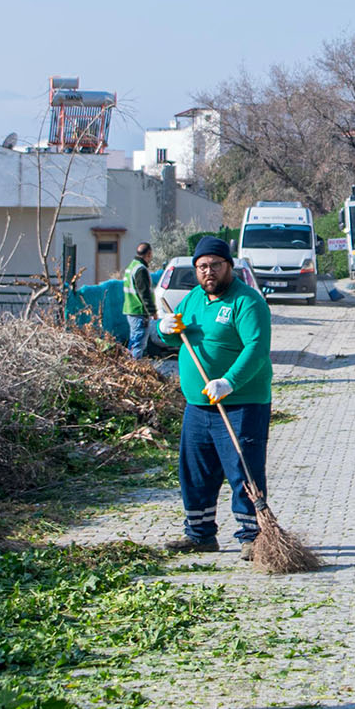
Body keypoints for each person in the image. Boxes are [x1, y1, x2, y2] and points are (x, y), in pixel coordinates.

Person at [157, 237, 273, 559]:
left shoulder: (247, 302)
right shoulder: (192, 299)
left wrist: (229, 382)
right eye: (202, 267)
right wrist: (163, 328)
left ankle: (252, 536)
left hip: (241, 404)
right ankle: (200, 534)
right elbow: (172, 334)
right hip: (197, 407)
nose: (209, 272)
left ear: (229, 266)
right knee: (195, 472)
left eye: (215, 265)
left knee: (243, 470)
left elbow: (257, 350)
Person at [122, 241, 158, 357]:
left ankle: (129, 368)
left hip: (131, 309)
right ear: (149, 254)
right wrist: (152, 311)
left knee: (134, 342)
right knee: (138, 344)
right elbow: (144, 293)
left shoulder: (132, 266)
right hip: (139, 311)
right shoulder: (140, 269)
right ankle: (134, 370)